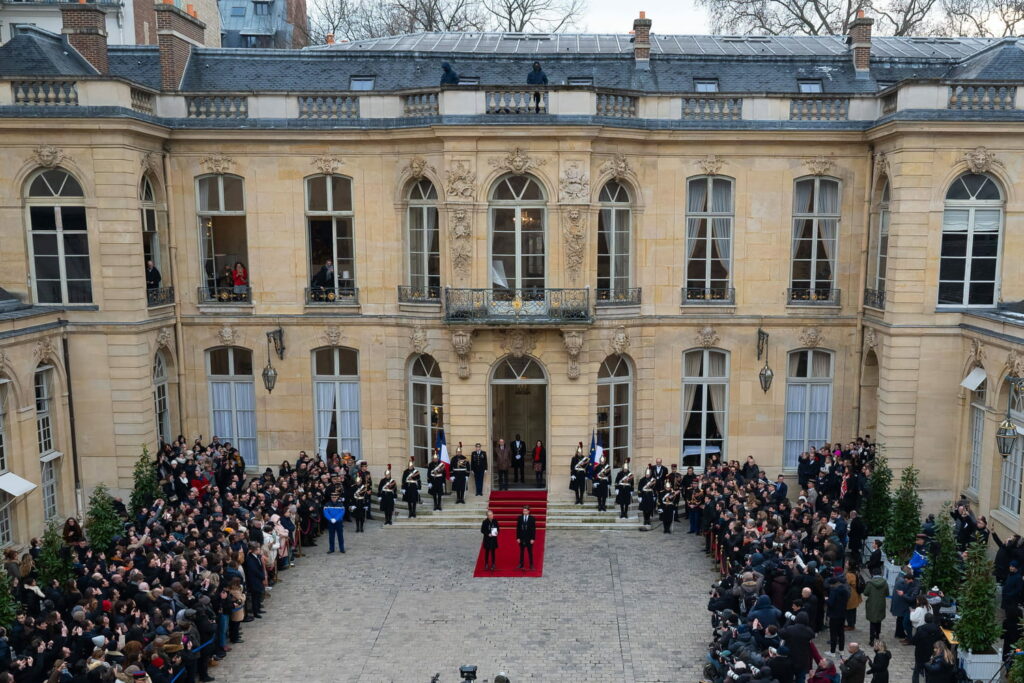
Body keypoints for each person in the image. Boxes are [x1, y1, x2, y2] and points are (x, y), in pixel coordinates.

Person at [911, 613, 943, 683]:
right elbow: (940, 640)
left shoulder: (920, 628)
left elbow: (914, 641)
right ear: (932, 619)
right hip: (932, 653)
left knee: (917, 671)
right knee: (930, 671)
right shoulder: (938, 629)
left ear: (925, 620)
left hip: (920, 653)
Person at [826, 571, 850, 656]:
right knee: (841, 633)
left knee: (833, 633)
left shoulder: (834, 591)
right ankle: (841, 650)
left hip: (834, 615)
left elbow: (831, 603)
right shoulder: (845, 590)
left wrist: (827, 600)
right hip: (842, 614)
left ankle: (832, 651)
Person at [862, 568, 889, 646]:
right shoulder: (884, 583)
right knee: (879, 620)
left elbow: (865, 593)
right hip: (881, 604)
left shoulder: (870, 583)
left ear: (873, 574)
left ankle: (871, 640)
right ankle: (877, 635)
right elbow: (887, 593)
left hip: (872, 604)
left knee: (872, 622)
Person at [516, 506, 536, 571]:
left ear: (528, 511)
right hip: (522, 538)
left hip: (529, 538)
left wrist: (533, 538)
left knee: (530, 552)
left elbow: (533, 529)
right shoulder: (520, 518)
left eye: (525, 511)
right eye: (523, 511)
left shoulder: (532, 518)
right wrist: (518, 537)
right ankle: (521, 564)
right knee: (522, 551)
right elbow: (518, 528)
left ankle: (531, 564)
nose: (524, 512)